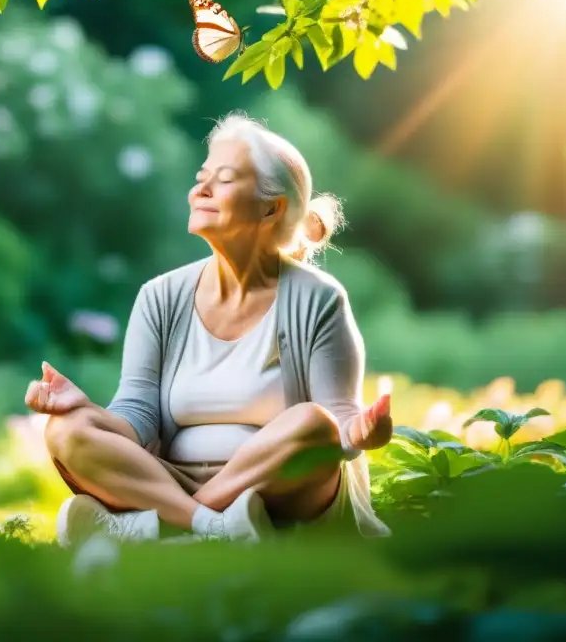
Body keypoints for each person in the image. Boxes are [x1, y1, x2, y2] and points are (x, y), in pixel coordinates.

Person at [25, 111, 394, 547]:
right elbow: (137, 419)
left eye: (225, 179)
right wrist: (86, 409)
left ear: (270, 208)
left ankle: (163, 525)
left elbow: (340, 427)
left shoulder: (318, 299)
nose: (200, 189)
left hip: (284, 490)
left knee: (314, 425)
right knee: (67, 430)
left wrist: (361, 433)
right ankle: (215, 527)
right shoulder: (159, 297)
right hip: (170, 478)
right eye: (202, 177)